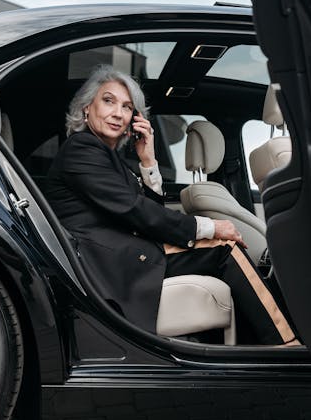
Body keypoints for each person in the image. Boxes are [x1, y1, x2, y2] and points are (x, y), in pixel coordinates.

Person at [46, 64, 297, 345]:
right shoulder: (82, 148)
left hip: (124, 253)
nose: (118, 113)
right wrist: (210, 226)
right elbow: (135, 211)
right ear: (86, 108)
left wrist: (149, 161)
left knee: (221, 249)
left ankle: (253, 348)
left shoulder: (106, 156)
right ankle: (284, 344)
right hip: (107, 264)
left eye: (127, 107)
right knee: (223, 248)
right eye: (108, 101)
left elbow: (144, 209)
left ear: (134, 119)